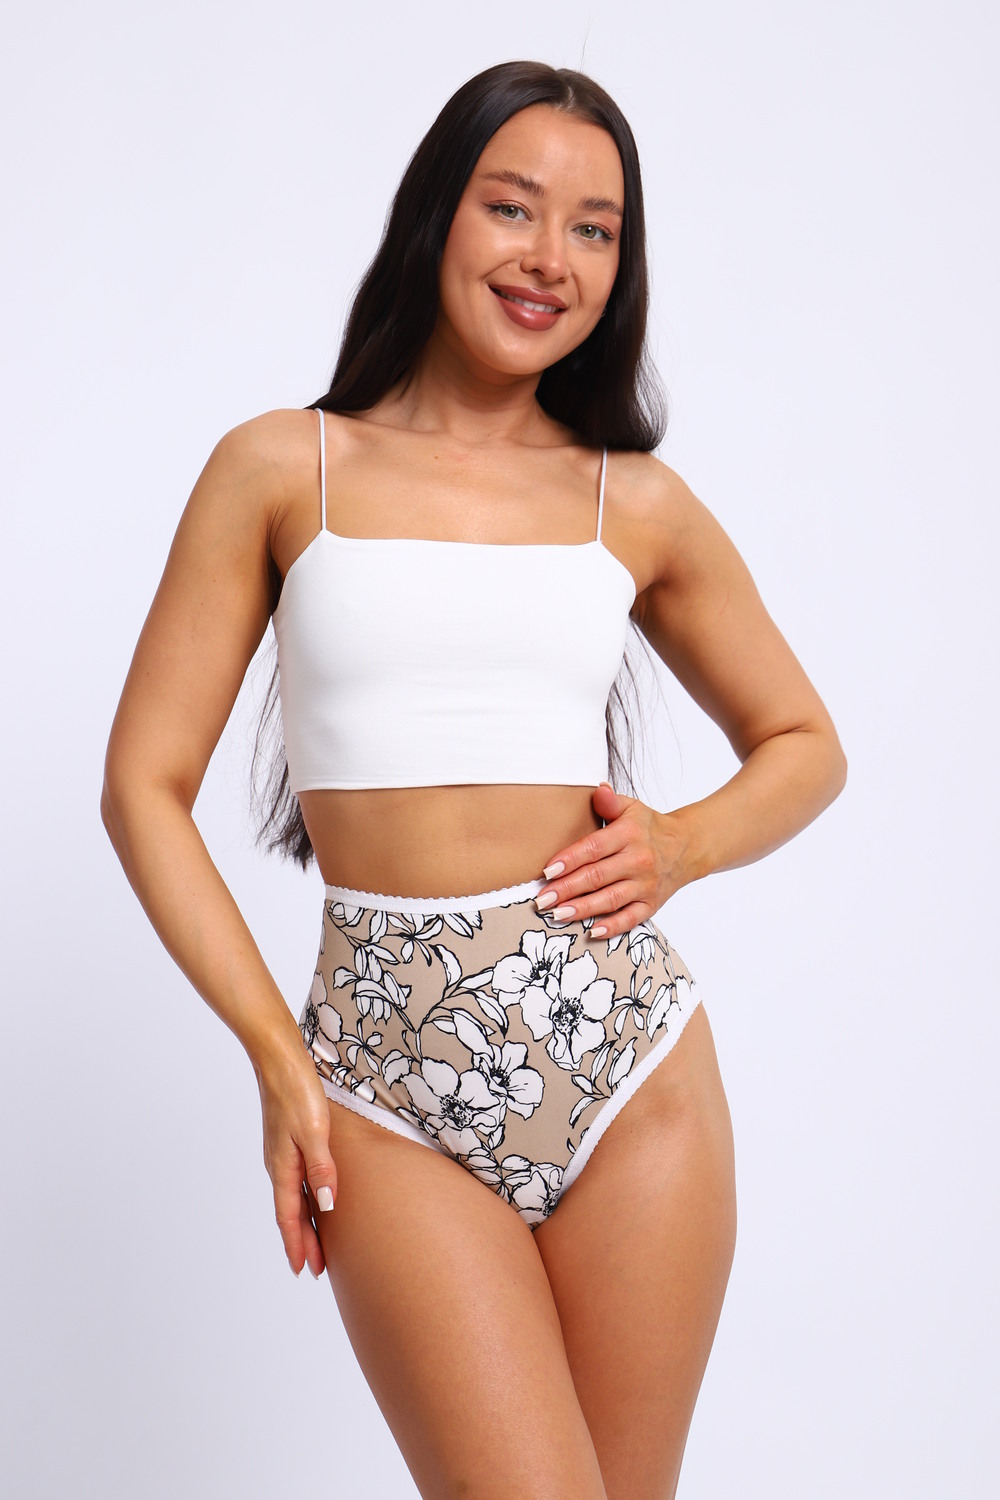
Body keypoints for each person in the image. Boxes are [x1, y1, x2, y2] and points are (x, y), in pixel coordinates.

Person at [102, 59, 846, 1500]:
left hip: (623, 1058)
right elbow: (144, 784)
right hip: (378, 1075)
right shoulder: (280, 468)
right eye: (513, 207)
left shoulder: (632, 500)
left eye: (594, 228)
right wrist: (277, 1056)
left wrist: (682, 844)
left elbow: (806, 743)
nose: (549, 257)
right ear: (437, 213)